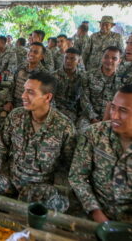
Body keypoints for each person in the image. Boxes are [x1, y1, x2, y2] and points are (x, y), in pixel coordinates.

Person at [0, 72, 76, 212]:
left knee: (35, 212)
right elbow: (0, 148)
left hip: (40, 186)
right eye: (24, 90)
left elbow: (69, 165)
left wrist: (55, 189)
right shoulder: (16, 116)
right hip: (12, 178)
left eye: (30, 92)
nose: (23, 95)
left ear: (47, 97)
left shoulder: (64, 127)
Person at [69, 84, 132, 223]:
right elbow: (77, 176)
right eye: (113, 107)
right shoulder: (95, 133)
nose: (114, 115)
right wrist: (95, 212)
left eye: (123, 110)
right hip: (92, 212)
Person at [81, 46, 123, 125]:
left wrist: (107, 120)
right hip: (89, 116)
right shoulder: (88, 75)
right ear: (102, 57)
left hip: (112, 118)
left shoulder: (123, 80)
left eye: (114, 58)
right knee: (82, 132)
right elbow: (84, 99)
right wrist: (93, 118)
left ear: (119, 61)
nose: (109, 60)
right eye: (106, 57)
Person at [3, 42, 46, 110]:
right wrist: (9, 101)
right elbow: (12, 84)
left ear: (41, 57)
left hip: (31, 106)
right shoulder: (21, 67)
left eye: (35, 52)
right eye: (30, 51)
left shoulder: (44, 74)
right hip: (14, 103)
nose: (31, 54)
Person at [52, 48, 83, 124]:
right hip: (55, 109)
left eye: (72, 59)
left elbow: (84, 98)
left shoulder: (82, 77)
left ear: (78, 61)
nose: (68, 61)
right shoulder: (53, 76)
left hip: (73, 112)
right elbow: (50, 97)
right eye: (66, 58)